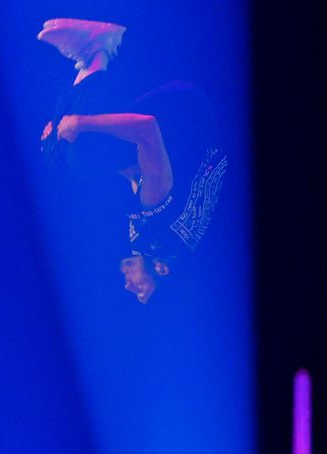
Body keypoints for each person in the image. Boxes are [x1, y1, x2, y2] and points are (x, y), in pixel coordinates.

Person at [37, 18, 228, 303]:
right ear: (162, 271)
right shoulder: (160, 223)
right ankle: (97, 49)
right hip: (186, 116)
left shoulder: (161, 241)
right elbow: (147, 129)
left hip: (184, 133)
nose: (128, 286)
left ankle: (92, 58)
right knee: (82, 153)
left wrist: (59, 134)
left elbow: (134, 171)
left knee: (65, 154)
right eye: (141, 290)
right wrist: (79, 123)